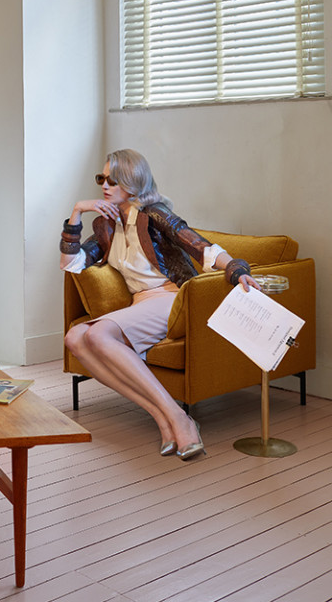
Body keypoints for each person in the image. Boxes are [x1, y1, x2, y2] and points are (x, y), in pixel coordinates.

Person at [61, 148, 259, 461]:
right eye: (102, 179)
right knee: (74, 337)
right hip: (141, 304)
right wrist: (77, 211)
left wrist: (236, 269)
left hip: (171, 297)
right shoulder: (106, 225)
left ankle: (180, 418)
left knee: (97, 334)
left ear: (133, 182)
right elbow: (71, 264)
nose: (105, 186)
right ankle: (162, 417)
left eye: (113, 179)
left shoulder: (154, 215)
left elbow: (199, 246)